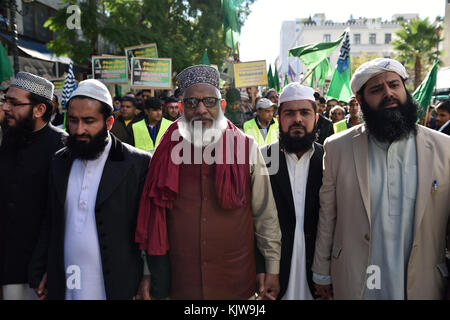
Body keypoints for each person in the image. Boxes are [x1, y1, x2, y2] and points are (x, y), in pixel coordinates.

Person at [135, 65, 282, 300]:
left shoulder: (247, 148)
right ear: (182, 108)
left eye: (210, 102)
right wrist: (147, 271)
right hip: (180, 284)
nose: (201, 109)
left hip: (237, 282)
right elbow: (153, 219)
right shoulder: (163, 153)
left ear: (222, 106)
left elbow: (265, 216)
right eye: (192, 103)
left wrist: (272, 268)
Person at [312, 58, 450, 300]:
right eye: (376, 89)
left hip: (422, 282)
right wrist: (321, 272)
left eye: (394, 85)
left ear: (405, 89)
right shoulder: (337, 148)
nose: (388, 93)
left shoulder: (444, 148)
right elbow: (328, 215)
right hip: (359, 280)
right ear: (361, 99)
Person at [28, 79, 151, 300]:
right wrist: (43, 270)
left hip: (117, 284)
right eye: (73, 121)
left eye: (89, 121)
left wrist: (147, 277)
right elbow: (50, 221)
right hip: (68, 281)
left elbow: (148, 228)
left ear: (109, 122)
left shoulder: (137, 163)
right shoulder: (59, 161)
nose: (78, 129)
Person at [0, 72, 66, 300]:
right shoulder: (8, 139)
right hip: (8, 265)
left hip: (41, 273)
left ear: (39, 110)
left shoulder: (62, 146)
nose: (6, 108)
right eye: (5, 100)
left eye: (14, 103)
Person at [260, 83, 324, 300]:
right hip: (274, 276)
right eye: (289, 113)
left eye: (305, 112)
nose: (297, 119)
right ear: (279, 119)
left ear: (315, 118)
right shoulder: (261, 158)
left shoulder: (330, 159)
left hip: (319, 278)